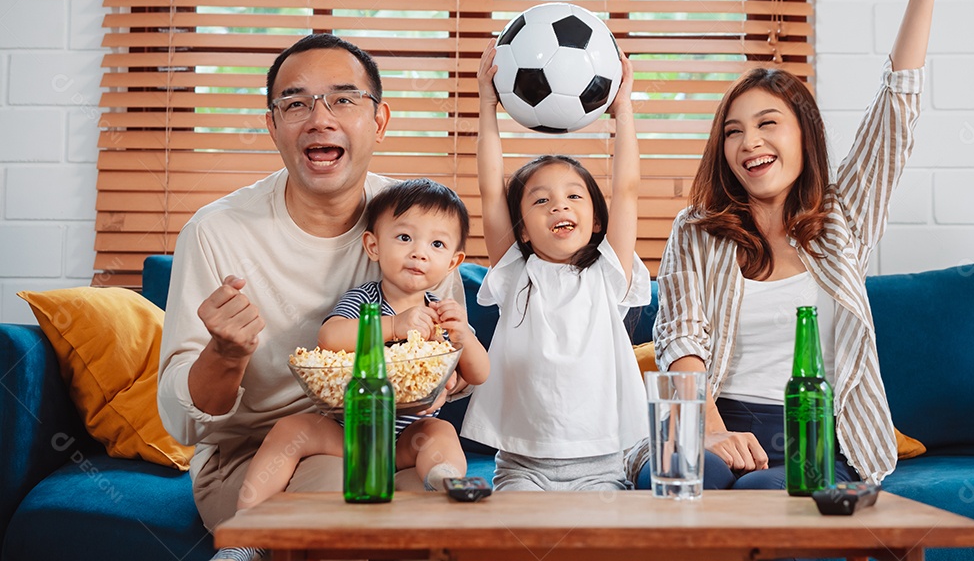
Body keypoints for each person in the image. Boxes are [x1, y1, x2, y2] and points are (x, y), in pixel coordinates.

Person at [646, 0, 965, 489]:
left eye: (769, 124)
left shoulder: (844, 218)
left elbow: (896, 111)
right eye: (734, 132)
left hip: (810, 430)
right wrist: (711, 432)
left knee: (776, 499)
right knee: (675, 483)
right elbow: (679, 340)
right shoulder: (696, 228)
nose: (750, 144)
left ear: (804, 136)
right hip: (707, 416)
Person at [157, 34, 466, 543]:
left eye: (343, 99)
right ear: (273, 124)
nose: (320, 118)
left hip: (387, 441)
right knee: (347, 504)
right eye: (295, 103)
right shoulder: (217, 232)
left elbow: (451, 364)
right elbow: (182, 424)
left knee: (442, 512)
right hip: (255, 455)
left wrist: (446, 374)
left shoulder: (417, 224)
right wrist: (226, 354)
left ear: (379, 121)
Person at [213, 179, 490, 561]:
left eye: (437, 245)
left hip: (409, 440)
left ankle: (443, 480)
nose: (419, 254)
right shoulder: (365, 300)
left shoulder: (444, 313)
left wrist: (466, 340)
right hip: (348, 434)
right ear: (373, 245)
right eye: (405, 237)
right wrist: (394, 326)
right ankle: (247, 534)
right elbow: (330, 337)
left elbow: (479, 374)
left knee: (441, 431)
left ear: (454, 262)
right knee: (290, 429)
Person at [460, 42, 649, 491]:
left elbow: (627, 190)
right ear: (523, 229)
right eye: (540, 200)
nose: (558, 206)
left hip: (602, 464)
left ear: (597, 220)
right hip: (523, 465)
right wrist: (487, 104)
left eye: (574, 196)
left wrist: (622, 110)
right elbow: (490, 189)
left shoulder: (608, 272)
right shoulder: (514, 272)